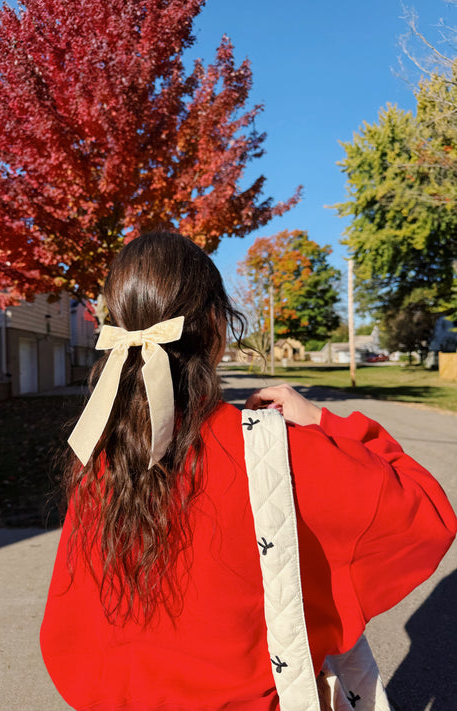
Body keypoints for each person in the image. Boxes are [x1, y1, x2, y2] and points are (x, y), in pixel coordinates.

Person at [40, 231, 456, 711]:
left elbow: (70, 630)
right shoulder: (275, 451)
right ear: (217, 324)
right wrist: (325, 422)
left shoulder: (102, 457)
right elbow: (425, 510)